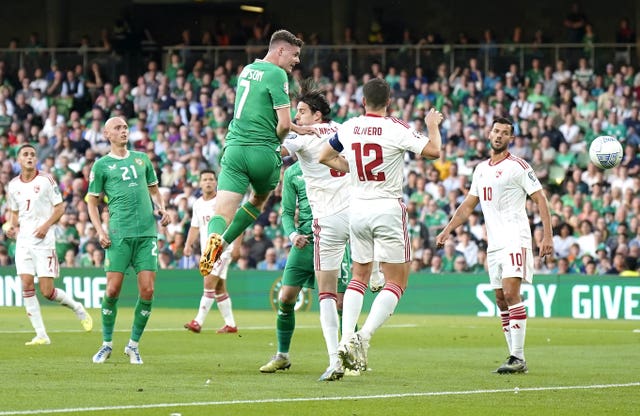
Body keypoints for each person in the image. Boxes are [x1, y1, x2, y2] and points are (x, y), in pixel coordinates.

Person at [318, 78, 443, 373]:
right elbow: (434, 151)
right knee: (396, 281)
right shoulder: (394, 127)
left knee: (359, 276)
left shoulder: (348, 127)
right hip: (387, 206)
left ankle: (345, 338)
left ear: (363, 101)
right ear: (389, 102)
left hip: (357, 207)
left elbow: (324, 155)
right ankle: (363, 336)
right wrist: (432, 124)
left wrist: (351, 169)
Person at [435, 116, 554, 375]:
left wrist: (547, 236)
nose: (499, 135)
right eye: (496, 131)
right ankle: (513, 356)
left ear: (511, 138)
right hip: (495, 243)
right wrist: (447, 230)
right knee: (500, 300)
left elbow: (540, 199)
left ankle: (518, 357)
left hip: (516, 237)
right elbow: (468, 206)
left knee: (512, 293)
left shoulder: (519, 166)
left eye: (504, 133)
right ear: (489, 134)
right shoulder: (480, 169)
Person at [199, 29, 314, 277]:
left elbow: (260, 113)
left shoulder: (247, 70)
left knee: (221, 213)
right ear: (280, 50)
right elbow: (281, 124)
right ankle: (226, 243)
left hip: (234, 150)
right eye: (294, 55)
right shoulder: (277, 74)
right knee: (257, 200)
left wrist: (296, 127)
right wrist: (280, 139)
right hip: (262, 153)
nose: (297, 61)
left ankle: (214, 241)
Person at [87, 116, 170, 365]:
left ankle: (133, 345)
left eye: (125, 127)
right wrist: (100, 231)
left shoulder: (142, 159)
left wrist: (162, 209)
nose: (124, 131)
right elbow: (92, 201)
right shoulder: (101, 166)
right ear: (106, 134)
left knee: (148, 289)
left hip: (146, 234)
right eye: (118, 128)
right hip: (119, 235)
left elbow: (154, 189)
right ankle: (106, 343)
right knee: (112, 290)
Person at [6, 144, 93, 345]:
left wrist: (46, 226)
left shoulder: (46, 180)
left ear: (36, 159)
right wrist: (11, 226)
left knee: (47, 292)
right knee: (26, 285)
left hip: (44, 242)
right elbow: (14, 214)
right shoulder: (13, 185)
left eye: (32, 155)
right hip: (24, 242)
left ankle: (77, 308)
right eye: (25, 154)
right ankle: (41, 334)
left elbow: (60, 208)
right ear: (19, 160)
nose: (29, 157)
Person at [183, 170, 239, 334]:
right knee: (219, 287)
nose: (208, 182)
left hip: (222, 248)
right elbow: (195, 226)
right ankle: (231, 325)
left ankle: (198, 321)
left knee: (208, 283)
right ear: (200, 183)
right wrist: (188, 244)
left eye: (211, 179)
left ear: (216, 182)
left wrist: (237, 246)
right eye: (205, 179)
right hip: (206, 249)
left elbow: (237, 224)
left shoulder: (222, 202)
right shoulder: (198, 204)